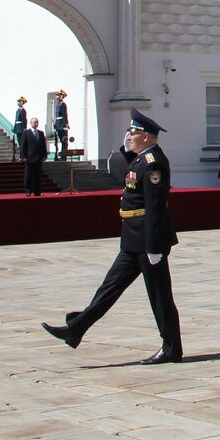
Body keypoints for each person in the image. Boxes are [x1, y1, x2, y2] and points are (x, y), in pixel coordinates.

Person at [42, 109, 183, 364]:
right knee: (109, 288)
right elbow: (130, 165)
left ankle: (171, 349)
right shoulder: (142, 159)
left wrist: (154, 246)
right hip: (132, 238)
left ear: (147, 137)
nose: (129, 135)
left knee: (160, 296)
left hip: (148, 241)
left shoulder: (154, 163)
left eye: (133, 132)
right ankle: (76, 329)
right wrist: (127, 147)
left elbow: (155, 206)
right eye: (129, 131)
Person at [20, 117, 48, 196]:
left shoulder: (41, 133)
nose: (36, 124)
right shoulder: (26, 132)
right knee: (28, 175)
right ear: (31, 123)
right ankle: (28, 190)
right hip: (29, 158)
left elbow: (43, 145)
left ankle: (37, 191)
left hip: (39, 158)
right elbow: (23, 145)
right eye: (34, 122)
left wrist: (44, 155)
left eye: (37, 122)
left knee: (38, 176)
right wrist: (23, 156)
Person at [52, 90, 70, 160]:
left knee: (64, 141)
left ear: (61, 96)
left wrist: (66, 124)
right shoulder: (58, 105)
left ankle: (64, 156)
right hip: (58, 124)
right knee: (59, 141)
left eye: (58, 95)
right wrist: (55, 124)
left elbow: (65, 115)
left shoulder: (63, 105)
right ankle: (59, 155)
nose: (57, 97)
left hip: (62, 124)